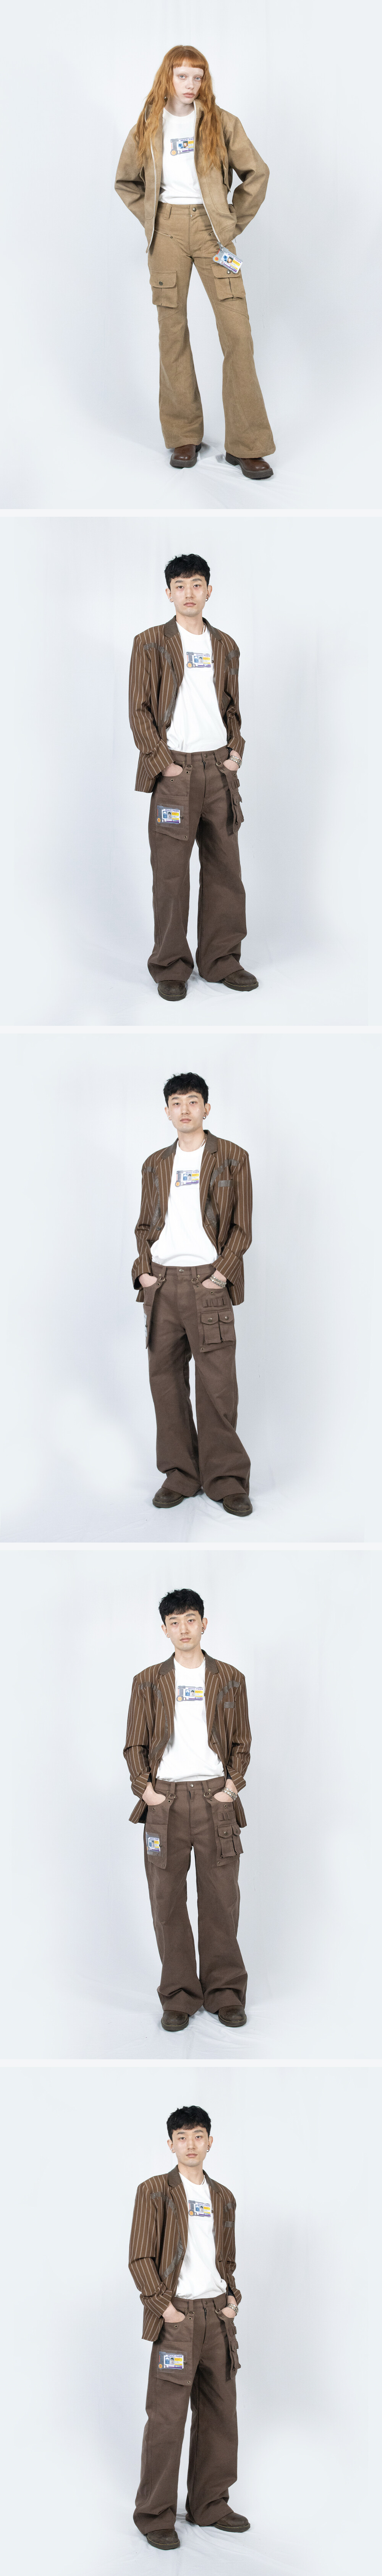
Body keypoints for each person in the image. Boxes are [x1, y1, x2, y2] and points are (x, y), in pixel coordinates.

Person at [115, 44, 274, 479]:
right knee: (173, 333)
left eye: (198, 76)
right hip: (166, 233)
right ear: (167, 78)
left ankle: (247, 445)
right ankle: (183, 435)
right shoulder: (148, 125)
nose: (191, 85)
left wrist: (230, 223)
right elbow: (126, 182)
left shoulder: (223, 123)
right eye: (182, 76)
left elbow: (257, 175)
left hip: (213, 234)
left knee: (237, 334)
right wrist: (153, 220)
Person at [129, 551, 258, 1000]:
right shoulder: (150, 642)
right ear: (168, 593)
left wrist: (235, 754)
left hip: (219, 771)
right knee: (171, 874)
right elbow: (140, 710)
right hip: (175, 771)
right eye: (180, 586)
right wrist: (163, 762)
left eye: (196, 584)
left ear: (208, 591)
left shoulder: (226, 644)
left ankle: (221, 960)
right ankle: (170, 966)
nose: (189, 593)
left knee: (225, 870)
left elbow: (232, 707)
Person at [125, 1587, 250, 2031]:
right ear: (164, 1629)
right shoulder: (147, 1681)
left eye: (190, 1620)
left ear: (204, 1624)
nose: (183, 1629)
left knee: (221, 1898)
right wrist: (148, 1792)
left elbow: (241, 1742)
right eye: (174, 1622)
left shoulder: (230, 1678)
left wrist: (230, 1788)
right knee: (167, 1900)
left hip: (216, 1799)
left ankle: (225, 1993)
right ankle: (178, 1995)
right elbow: (134, 1745)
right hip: (166, 1803)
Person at [130, 2103, 249, 2547]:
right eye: (181, 2137)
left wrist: (232, 2299)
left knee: (220, 2414)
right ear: (171, 2144)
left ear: (210, 2141)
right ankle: (155, 2514)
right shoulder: (154, 2191)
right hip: (177, 2320)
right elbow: (140, 2257)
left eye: (198, 2135)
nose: (190, 2144)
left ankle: (210, 2504)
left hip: (218, 2319)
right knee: (167, 2417)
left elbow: (226, 2259)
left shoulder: (224, 2196)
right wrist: (165, 2309)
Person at [134, 1071, 253, 1515]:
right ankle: (180, 1475)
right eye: (177, 1103)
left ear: (207, 1108)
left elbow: (242, 1227)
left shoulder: (232, 1158)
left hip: (208, 1282)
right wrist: (144, 1274)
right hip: (161, 1285)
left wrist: (220, 1277)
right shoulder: (154, 1163)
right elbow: (144, 1226)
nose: (185, 1109)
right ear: (167, 1111)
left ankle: (226, 1480)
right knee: (165, 1384)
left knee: (217, 1387)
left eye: (193, 1101)